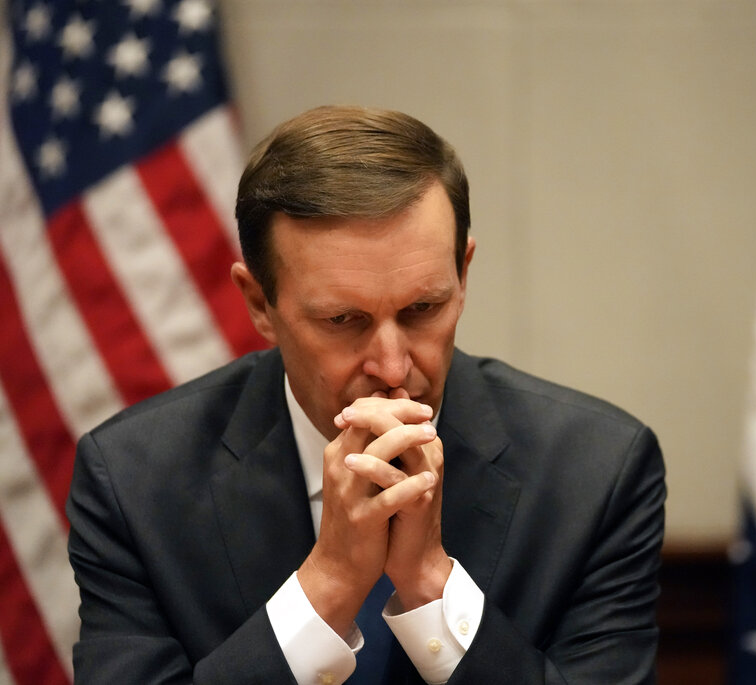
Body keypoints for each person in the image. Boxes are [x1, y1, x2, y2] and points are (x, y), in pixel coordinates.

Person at [67, 105, 667, 684]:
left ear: (463, 274)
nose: (392, 365)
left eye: (423, 309)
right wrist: (327, 585)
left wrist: (431, 584)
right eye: (342, 320)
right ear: (259, 304)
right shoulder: (132, 480)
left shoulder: (598, 471)